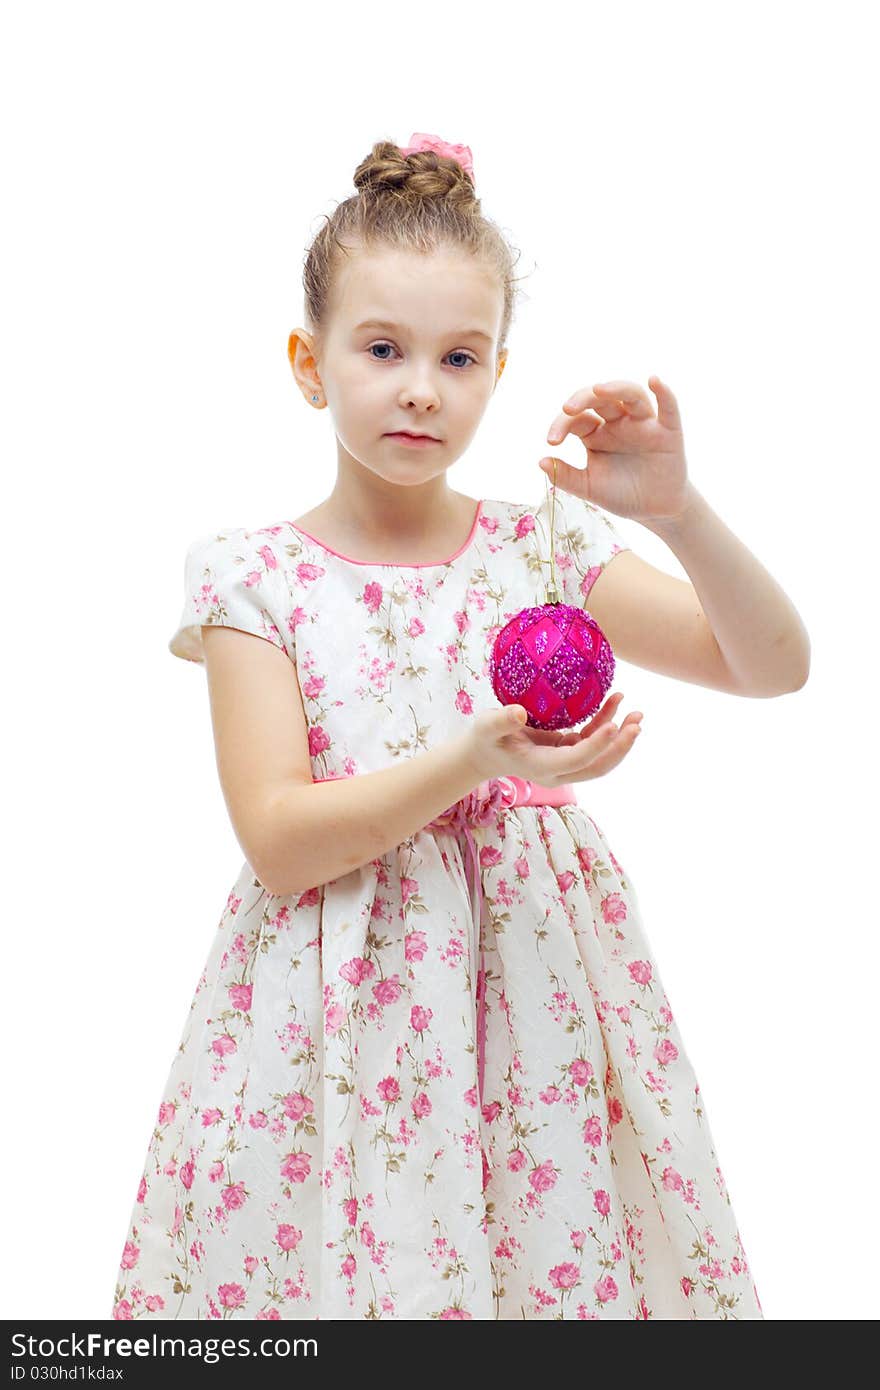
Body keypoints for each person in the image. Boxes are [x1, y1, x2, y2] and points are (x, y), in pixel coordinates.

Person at [110, 131, 809, 1322]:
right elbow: (281, 837)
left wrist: (679, 513)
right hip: (329, 1014)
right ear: (308, 360)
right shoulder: (253, 580)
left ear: (497, 370)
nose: (422, 386)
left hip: (534, 1014)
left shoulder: (540, 548)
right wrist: (471, 760)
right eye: (381, 348)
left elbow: (772, 666)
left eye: (460, 356)